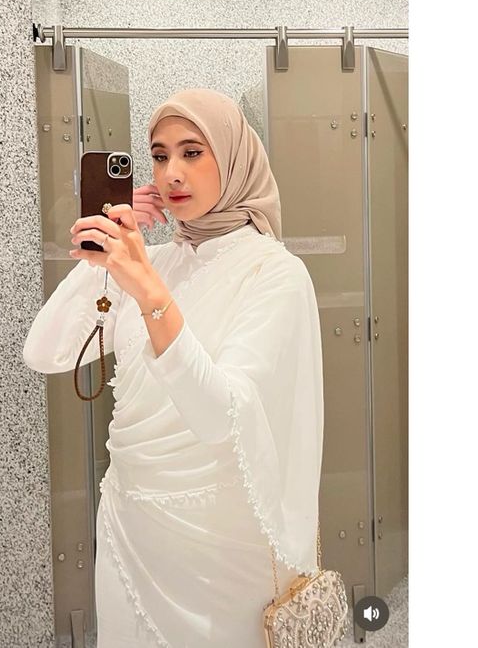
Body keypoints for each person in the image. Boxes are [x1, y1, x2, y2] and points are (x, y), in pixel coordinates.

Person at [22, 88, 324, 647]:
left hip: (219, 544)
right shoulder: (154, 262)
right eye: (159, 156)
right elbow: (45, 352)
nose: (171, 174)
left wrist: (149, 292)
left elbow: (219, 417)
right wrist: (101, 264)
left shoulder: (274, 273)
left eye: (192, 152)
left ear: (233, 159)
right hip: (128, 524)